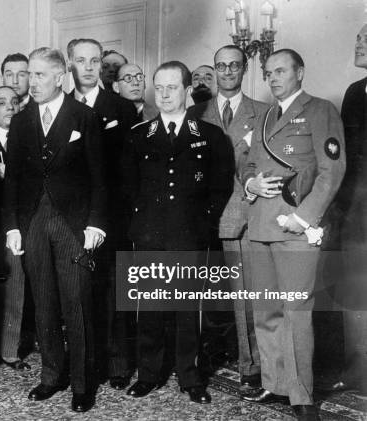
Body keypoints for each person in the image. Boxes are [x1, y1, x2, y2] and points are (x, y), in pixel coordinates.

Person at [241, 49, 346, 421]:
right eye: (268, 72)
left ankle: (301, 393)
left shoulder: (320, 110)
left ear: (300, 72)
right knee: (266, 310)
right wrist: (251, 182)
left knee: (296, 311)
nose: (273, 78)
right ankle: (275, 382)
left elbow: (331, 170)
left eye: (281, 70)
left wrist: (302, 219)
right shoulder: (265, 116)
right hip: (260, 224)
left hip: (295, 228)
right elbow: (249, 164)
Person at [121, 60, 234, 403]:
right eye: (160, 87)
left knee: (189, 310)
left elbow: (221, 187)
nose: (165, 94)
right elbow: (127, 188)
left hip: (190, 233)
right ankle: (148, 374)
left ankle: (190, 376)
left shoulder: (211, 136)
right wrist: (138, 227)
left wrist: (205, 224)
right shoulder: (139, 135)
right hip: (151, 234)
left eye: (173, 87)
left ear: (187, 90)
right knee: (150, 307)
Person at [4, 47, 106, 412]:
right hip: (32, 222)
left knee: (76, 303)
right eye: (30, 75)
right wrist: (12, 227)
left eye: (40, 75)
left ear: (60, 77)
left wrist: (96, 223)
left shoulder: (84, 117)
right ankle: (51, 376)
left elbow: (100, 177)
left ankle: (82, 383)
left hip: (73, 224)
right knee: (43, 302)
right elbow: (12, 180)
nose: (32, 82)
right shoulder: (21, 120)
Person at [191, 44, 269, 392]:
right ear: (214, 69)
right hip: (201, 215)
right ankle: (196, 362)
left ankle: (251, 367)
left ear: (244, 68)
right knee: (197, 293)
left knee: (246, 295)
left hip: (243, 213)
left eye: (234, 66)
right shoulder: (194, 114)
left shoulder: (265, 112)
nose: (226, 72)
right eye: (220, 66)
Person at [67, 37, 137, 390]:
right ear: (70, 65)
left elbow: (127, 169)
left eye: (95, 60)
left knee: (113, 288)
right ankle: (85, 363)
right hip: (71, 217)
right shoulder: (60, 107)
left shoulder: (122, 109)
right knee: (79, 291)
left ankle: (118, 362)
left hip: (112, 214)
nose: (90, 67)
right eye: (82, 60)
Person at [323, 24, 367, 397]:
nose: (359, 43)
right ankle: (358, 375)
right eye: (358, 37)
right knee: (355, 297)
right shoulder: (355, 93)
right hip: (356, 216)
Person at [0, 86, 30, 370]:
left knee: (16, 285)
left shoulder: (26, 136)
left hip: (18, 224)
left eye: (14, 102)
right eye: (2, 103)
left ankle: (9, 351)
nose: (10, 108)